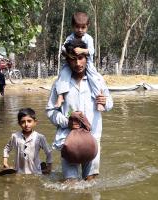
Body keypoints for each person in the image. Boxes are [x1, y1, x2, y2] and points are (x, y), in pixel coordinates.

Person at [46, 40, 113, 181]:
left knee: (90, 180)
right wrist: (67, 122)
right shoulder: (60, 83)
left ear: (86, 58)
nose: (77, 63)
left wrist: (105, 102)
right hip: (69, 139)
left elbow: (110, 104)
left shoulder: (97, 80)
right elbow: (51, 111)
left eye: (80, 58)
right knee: (71, 182)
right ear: (67, 61)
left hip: (93, 136)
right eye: (73, 59)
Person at [55, 12, 105, 111]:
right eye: (77, 27)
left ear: (87, 26)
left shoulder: (88, 38)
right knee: (63, 75)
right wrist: (67, 53)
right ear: (73, 26)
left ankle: (99, 100)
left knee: (94, 79)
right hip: (69, 64)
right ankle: (60, 96)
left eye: (83, 27)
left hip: (89, 64)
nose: (80, 30)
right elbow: (63, 49)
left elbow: (91, 51)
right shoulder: (70, 38)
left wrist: (82, 51)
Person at [3, 108, 52, 174]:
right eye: (23, 122)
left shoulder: (39, 137)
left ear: (35, 122)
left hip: (36, 172)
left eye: (29, 121)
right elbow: (7, 149)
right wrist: (5, 162)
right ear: (19, 123)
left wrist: (49, 168)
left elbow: (48, 152)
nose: (26, 124)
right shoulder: (15, 136)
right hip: (19, 171)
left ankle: (42, 166)